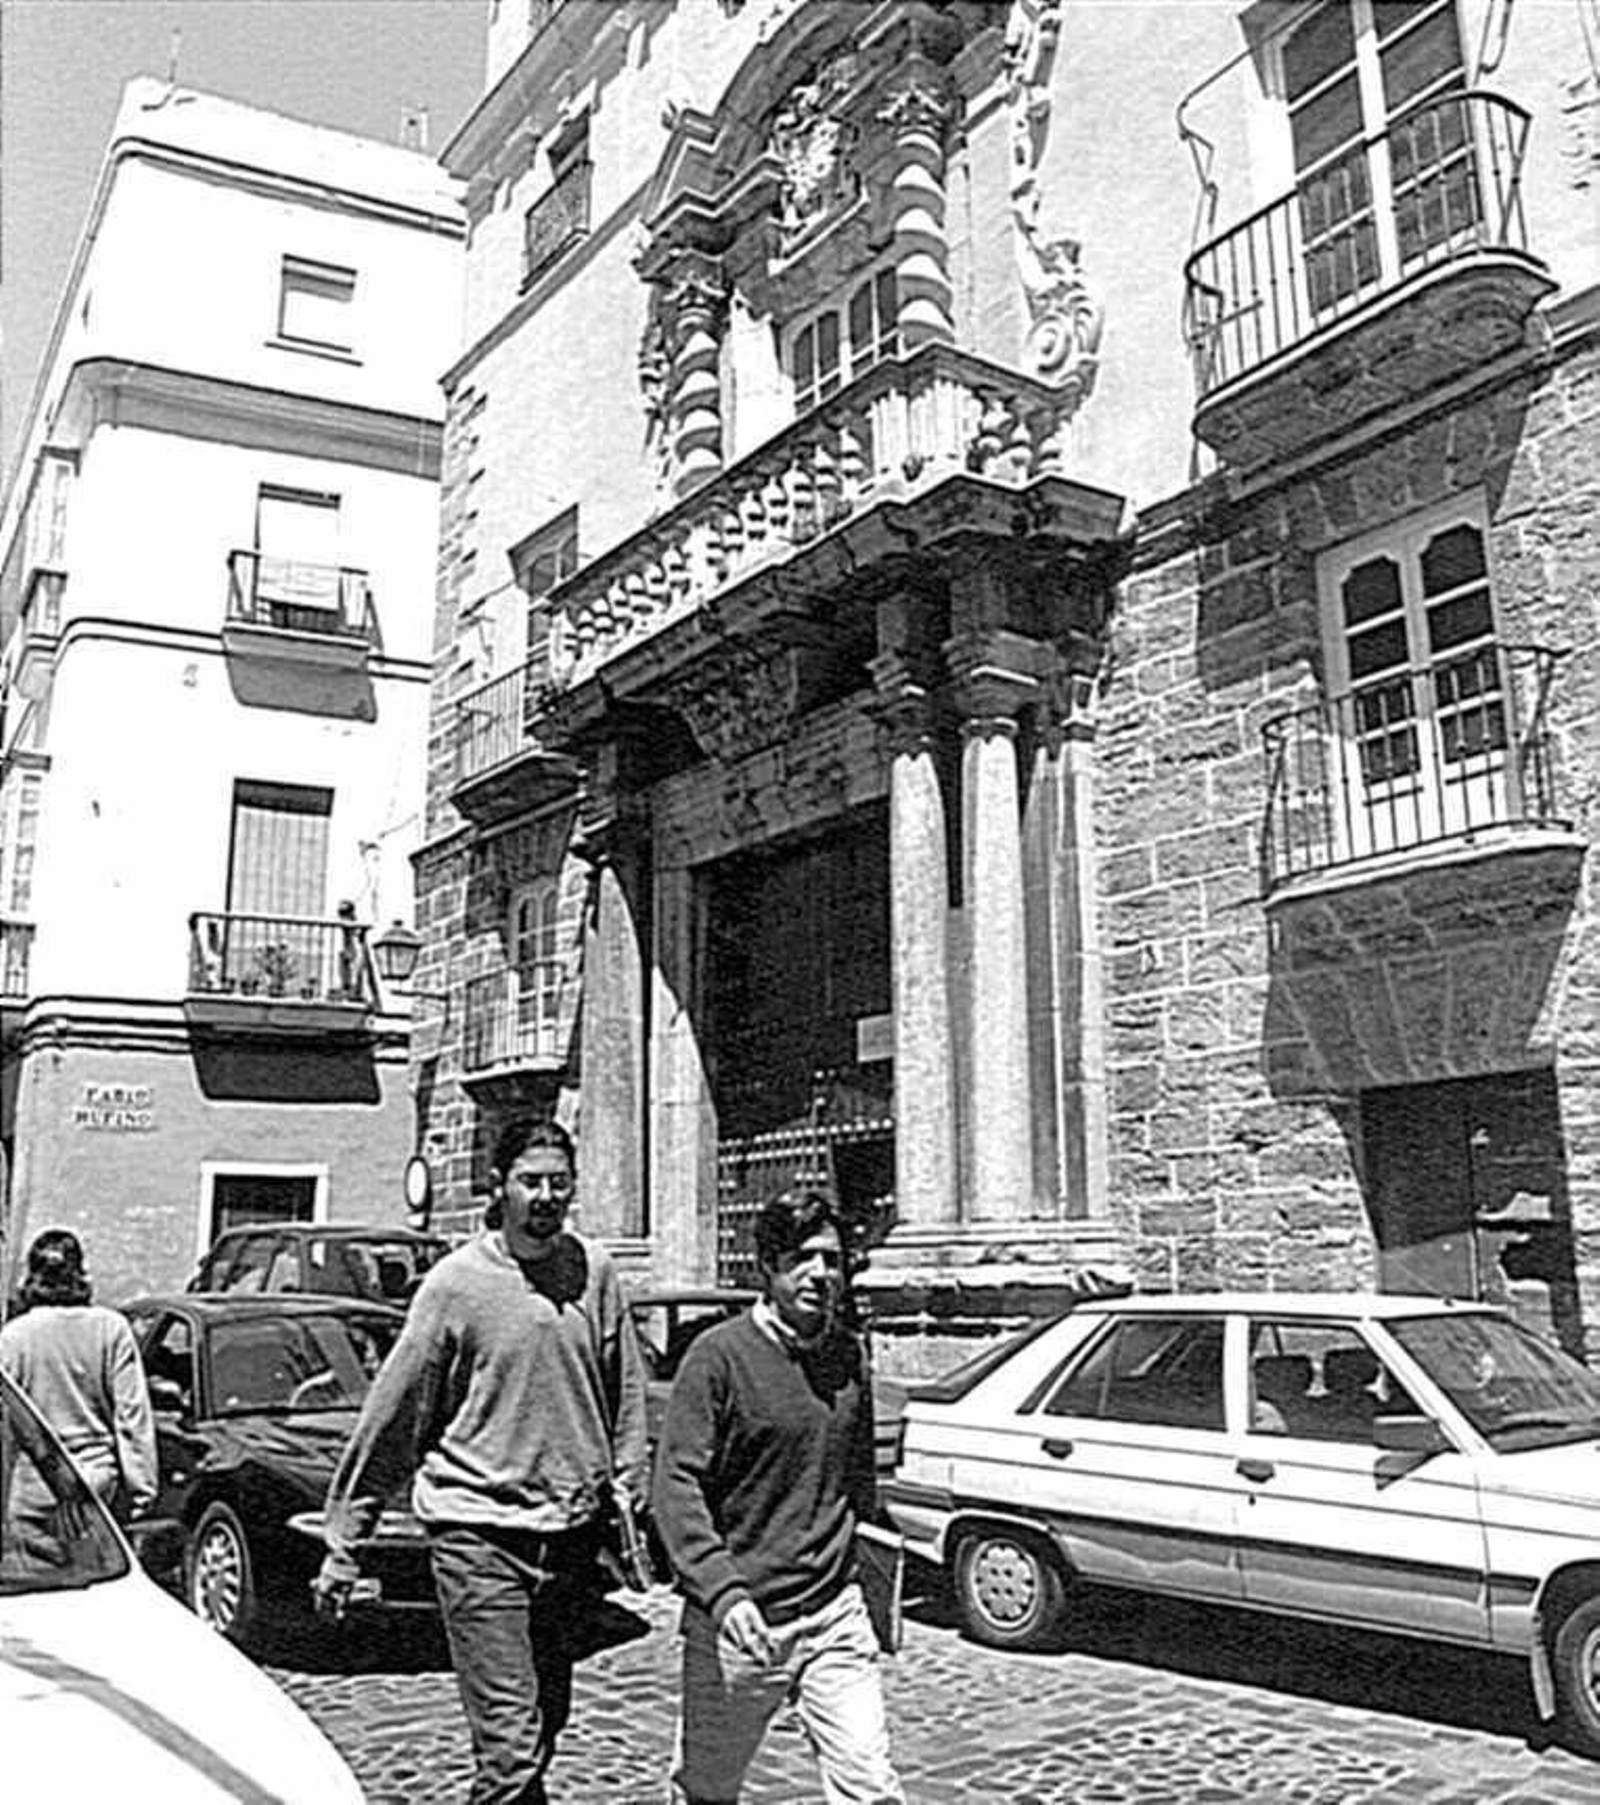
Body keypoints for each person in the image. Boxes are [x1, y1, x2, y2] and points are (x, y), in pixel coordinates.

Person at [314, 1116, 648, 1805]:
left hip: (569, 1538)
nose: (547, 1195)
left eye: (560, 1181)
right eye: (532, 1180)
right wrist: (345, 1540)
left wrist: (629, 1481)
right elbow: (393, 1416)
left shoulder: (596, 1270)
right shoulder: (456, 1285)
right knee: (512, 1750)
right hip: (478, 1535)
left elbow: (626, 1388)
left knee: (544, 1722)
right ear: (501, 1187)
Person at [652, 1189, 905, 1805]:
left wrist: (871, 1570)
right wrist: (722, 1591)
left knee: (869, 1783)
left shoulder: (847, 1357)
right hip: (741, 1622)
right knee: (709, 1788)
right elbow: (674, 1484)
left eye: (833, 1260)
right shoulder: (717, 1358)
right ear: (767, 1267)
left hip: (834, 1615)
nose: (821, 1273)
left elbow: (856, 1483)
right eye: (802, 1258)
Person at [0, 1228, 158, 1524]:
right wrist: (141, 1489)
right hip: (95, 1481)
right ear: (80, 1273)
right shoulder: (111, 1329)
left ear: (32, 1277)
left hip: (35, 1486)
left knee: (32, 1567)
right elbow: (132, 1415)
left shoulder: (13, 1338)